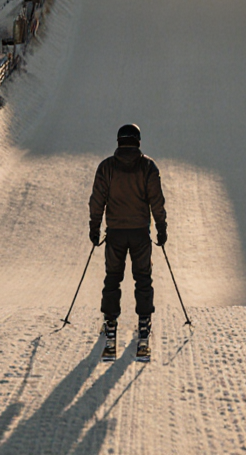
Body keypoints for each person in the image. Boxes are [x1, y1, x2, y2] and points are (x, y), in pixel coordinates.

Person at [89, 124, 167, 362]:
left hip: (115, 233)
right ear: (138, 141)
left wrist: (95, 227)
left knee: (113, 277)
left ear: (119, 141)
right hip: (140, 233)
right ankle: (144, 325)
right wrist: (161, 228)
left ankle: (110, 325)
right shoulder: (147, 167)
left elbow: (97, 200)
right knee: (143, 278)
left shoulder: (107, 167)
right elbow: (156, 200)